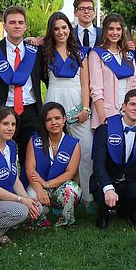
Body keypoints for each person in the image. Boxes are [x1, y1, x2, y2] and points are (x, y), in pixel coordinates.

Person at [0, 5, 44, 170]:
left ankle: (29, 190)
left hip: (30, 109)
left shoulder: (35, 51)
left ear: (25, 26)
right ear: (5, 25)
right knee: (3, 153)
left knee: (31, 155)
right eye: (12, 22)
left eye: (20, 22)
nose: (17, 26)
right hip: (4, 109)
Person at [41, 12, 93, 207]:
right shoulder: (45, 51)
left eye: (64, 27)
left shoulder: (81, 52)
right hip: (54, 101)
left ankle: (86, 196)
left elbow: (85, 83)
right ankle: (55, 198)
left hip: (77, 105)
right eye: (56, 29)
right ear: (51, 32)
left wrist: (86, 108)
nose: (61, 32)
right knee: (52, 152)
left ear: (69, 29)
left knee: (86, 149)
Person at [90, 90, 136, 229]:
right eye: (132, 104)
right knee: (103, 195)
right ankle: (103, 214)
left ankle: (126, 211)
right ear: (123, 106)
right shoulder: (105, 129)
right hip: (105, 181)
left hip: (127, 181)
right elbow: (98, 164)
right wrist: (108, 188)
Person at [0, 107, 40, 249]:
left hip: (4, 198)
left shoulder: (10, 145)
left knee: (37, 207)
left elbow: (14, 178)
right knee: (20, 211)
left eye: (13, 124)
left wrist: (28, 199)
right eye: (5, 124)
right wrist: (21, 200)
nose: (10, 128)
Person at [24, 102, 82, 227]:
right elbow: (30, 168)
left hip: (58, 186)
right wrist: (40, 190)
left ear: (64, 119)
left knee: (71, 189)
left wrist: (48, 184)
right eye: (48, 119)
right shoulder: (35, 140)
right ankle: (41, 220)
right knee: (31, 199)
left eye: (57, 118)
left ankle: (66, 220)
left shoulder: (73, 143)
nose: (54, 123)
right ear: (43, 123)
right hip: (37, 185)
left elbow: (70, 172)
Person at [89, 13, 136, 127]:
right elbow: (96, 89)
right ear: (105, 30)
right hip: (107, 113)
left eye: (118, 29)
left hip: (130, 112)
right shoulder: (96, 54)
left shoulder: (128, 54)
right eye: (111, 29)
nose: (115, 33)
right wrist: (102, 116)